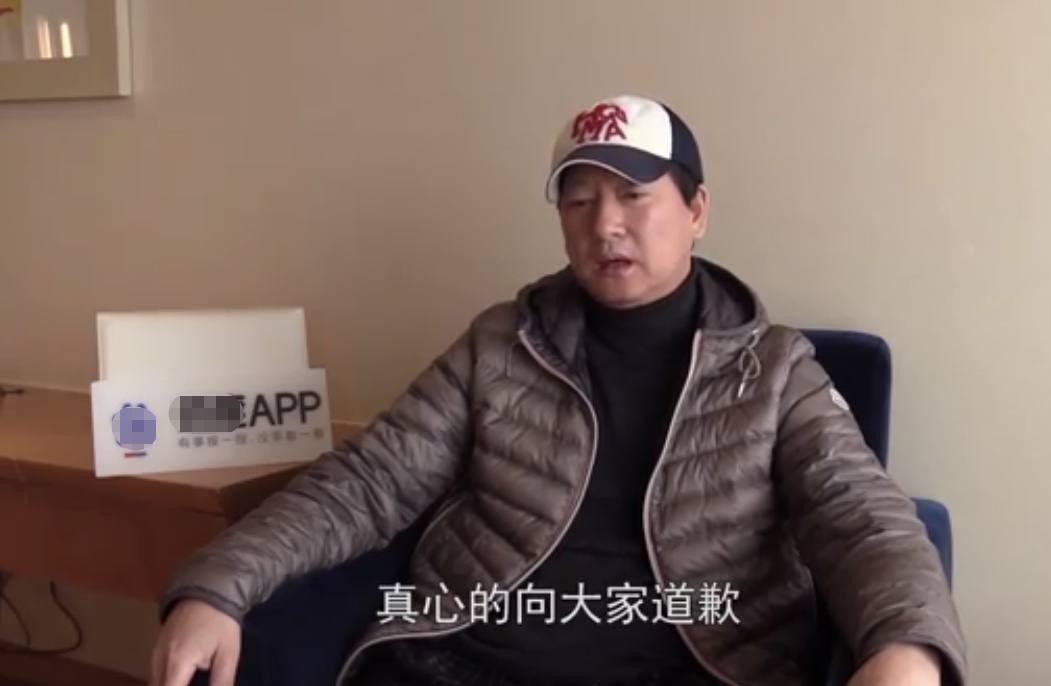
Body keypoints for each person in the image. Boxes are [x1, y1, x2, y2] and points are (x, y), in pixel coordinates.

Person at [150, 94, 966, 686]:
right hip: (468, 657)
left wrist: (909, 647)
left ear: (697, 210)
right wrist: (217, 585)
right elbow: (369, 481)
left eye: (634, 195)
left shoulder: (776, 369)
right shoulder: (502, 343)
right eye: (579, 199)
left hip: (691, 662)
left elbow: (858, 513)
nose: (604, 224)